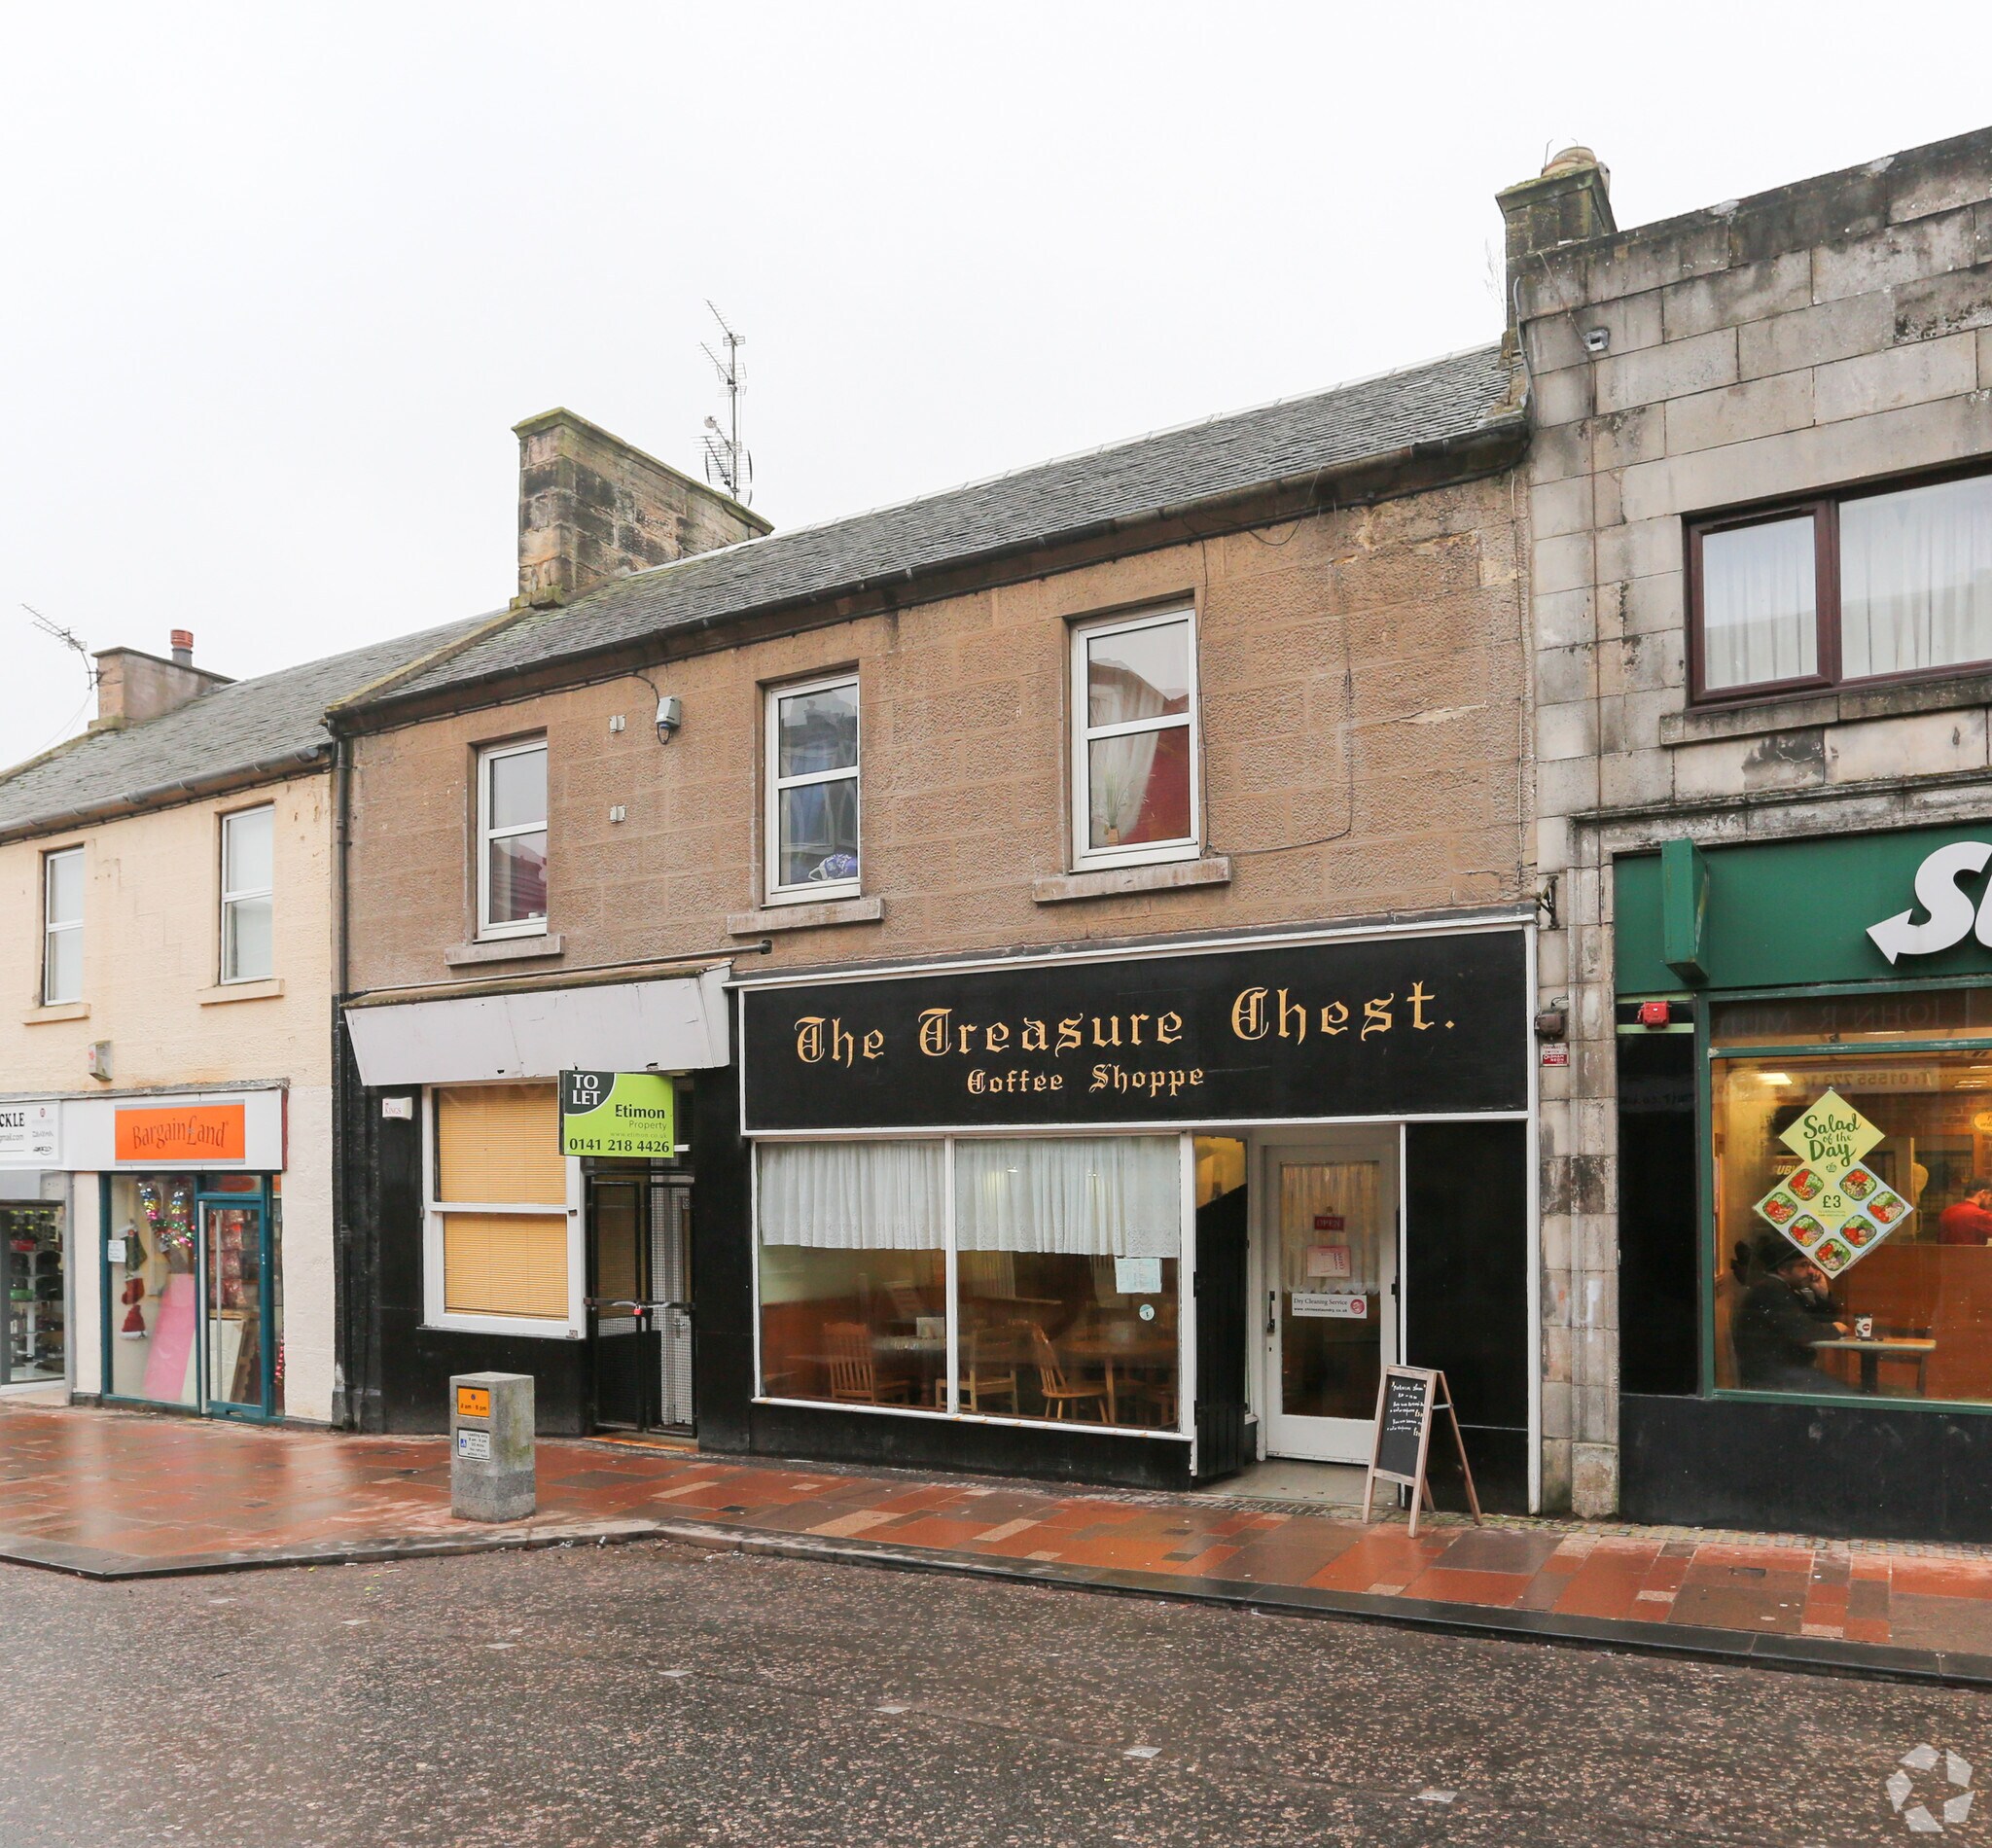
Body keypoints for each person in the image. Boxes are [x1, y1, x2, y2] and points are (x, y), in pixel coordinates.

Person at [1735, 1237, 1848, 1392]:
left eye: (1810, 1264)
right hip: (1774, 1374)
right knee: (1844, 1396)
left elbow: (1814, 1320)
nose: (1811, 1271)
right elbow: (1802, 1330)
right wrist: (1835, 1329)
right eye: (1803, 1265)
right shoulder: (1771, 1290)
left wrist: (1822, 1295)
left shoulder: (1783, 1288)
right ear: (1783, 1269)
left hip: (1782, 1370)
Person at [1939, 1180, 1992, 1247]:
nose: (1989, 1202)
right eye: (1990, 1198)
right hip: (1973, 1255)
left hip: (1946, 1255)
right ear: (1982, 1194)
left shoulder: (1947, 1212)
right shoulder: (1981, 1215)